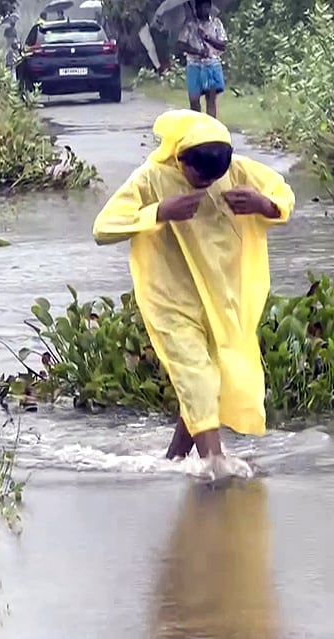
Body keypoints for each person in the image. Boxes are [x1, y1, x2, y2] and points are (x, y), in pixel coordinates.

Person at [92, 109, 295, 470]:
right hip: (170, 297)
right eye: (196, 176)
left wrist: (264, 205)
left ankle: (174, 459)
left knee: (215, 377)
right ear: (180, 158)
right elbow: (103, 228)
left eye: (212, 178)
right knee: (197, 377)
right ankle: (214, 465)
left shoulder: (236, 171)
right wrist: (158, 212)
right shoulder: (151, 178)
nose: (204, 184)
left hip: (220, 295)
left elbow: (280, 193)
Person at [177, 1, 227, 119]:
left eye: (207, 6)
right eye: (202, 7)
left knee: (211, 99)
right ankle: (197, 127)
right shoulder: (190, 25)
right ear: (197, 8)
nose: (205, 10)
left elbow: (223, 45)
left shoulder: (216, 23)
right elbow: (180, 45)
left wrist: (206, 37)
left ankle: (211, 127)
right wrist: (197, 51)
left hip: (211, 64)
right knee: (194, 100)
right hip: (194, 65)